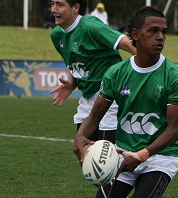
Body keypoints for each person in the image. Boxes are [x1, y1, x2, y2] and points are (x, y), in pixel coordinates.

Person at [74, 6, 178, 198]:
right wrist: (80, 136)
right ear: (136, 34)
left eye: (164, 32)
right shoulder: (116, 73)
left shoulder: (174, 76)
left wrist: (142, 155)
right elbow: (94, 117)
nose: (160, 37)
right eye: (153, 30)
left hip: (160, 158)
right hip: (124, 155)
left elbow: (173, 131)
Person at [50, 0, 135, 155]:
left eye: (60, 4)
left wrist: (153, 68)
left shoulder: (91, 27)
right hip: (88, 100)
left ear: (75, 8)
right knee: (85, 155)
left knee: (108, 161)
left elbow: (128, 43)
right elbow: (76, 63)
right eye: (52, 3)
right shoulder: (57, 35)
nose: (54, 9)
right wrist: (71, 84)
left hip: (111, 98)